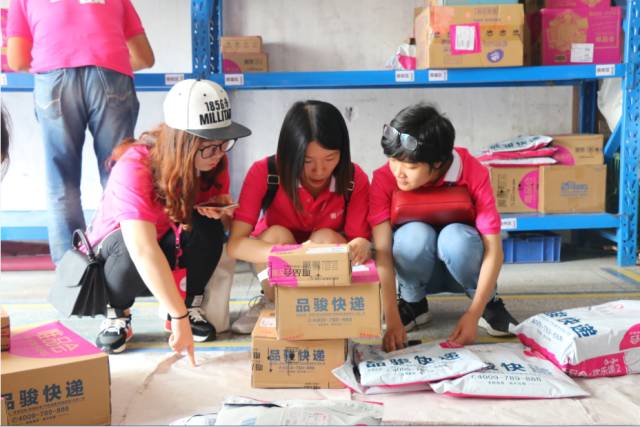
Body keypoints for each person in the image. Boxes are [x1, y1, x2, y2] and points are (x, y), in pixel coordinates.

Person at [84, 79, 251, 357]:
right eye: (210, 147)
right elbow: (142, 248)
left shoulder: (214, 161)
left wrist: (223, 212)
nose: (219, 154)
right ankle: (118, 313)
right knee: (127, 246)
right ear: (182, 142)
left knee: (207, 227)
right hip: (121, 257)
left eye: (225, 144)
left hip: (169, 244)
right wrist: (179, 318)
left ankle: (188, 303)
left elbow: (220, 227)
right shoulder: (134, 166)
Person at [6, 0, 155, 264]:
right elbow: (144, 57)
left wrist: (54, 60)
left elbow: (17, 60)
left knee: (61, 184)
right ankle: (122, 262)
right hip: (111, 76)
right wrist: (108, 61)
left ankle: (72, 272)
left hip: (54, 81)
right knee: (119, 176)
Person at [369, 103, 519, 352]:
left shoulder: (472, 171)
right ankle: (413, 303)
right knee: (413, 236)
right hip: (415, 270)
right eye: (393, 161)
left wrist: (473, 314)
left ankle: (488, 304)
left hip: (463, 266)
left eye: (411, 167)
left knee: (455, 238)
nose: (398, 172)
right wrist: (392, 315)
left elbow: (494, 249)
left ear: (438, 162)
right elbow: (382, 250)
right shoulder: (385, 177)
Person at [227, 100, 372, 334]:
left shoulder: (353, 179)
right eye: (307, 161)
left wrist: (361, 244)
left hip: (324, 267)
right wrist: (291, 254)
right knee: (276, 235)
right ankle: (273, 302)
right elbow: (235, 245)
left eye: (330, 159)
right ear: (289, 153)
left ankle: (321, 308)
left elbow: (358, 239)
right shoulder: (265, 172)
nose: (319, 170)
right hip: (274, 260)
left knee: (326, 238)